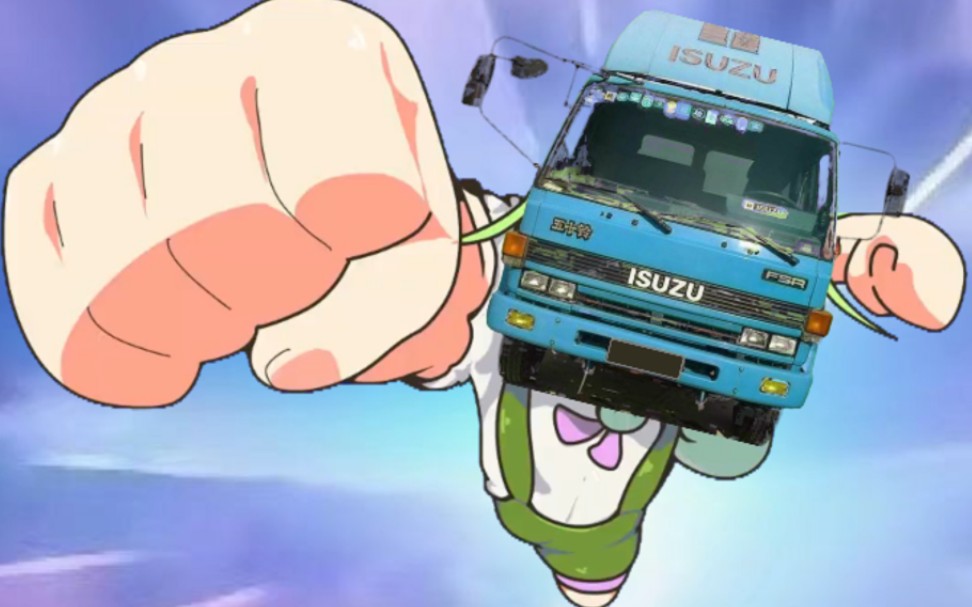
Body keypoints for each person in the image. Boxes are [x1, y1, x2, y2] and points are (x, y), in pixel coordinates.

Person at [1, 1, 965, 605]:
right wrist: (391, 237)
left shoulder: (763, 289)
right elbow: (454, 280)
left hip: (587, 483)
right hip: (551, 468)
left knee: (608, 523)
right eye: (631, 160)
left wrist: (852, 262)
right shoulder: (513, 260)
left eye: (762, 193)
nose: (680, 234)